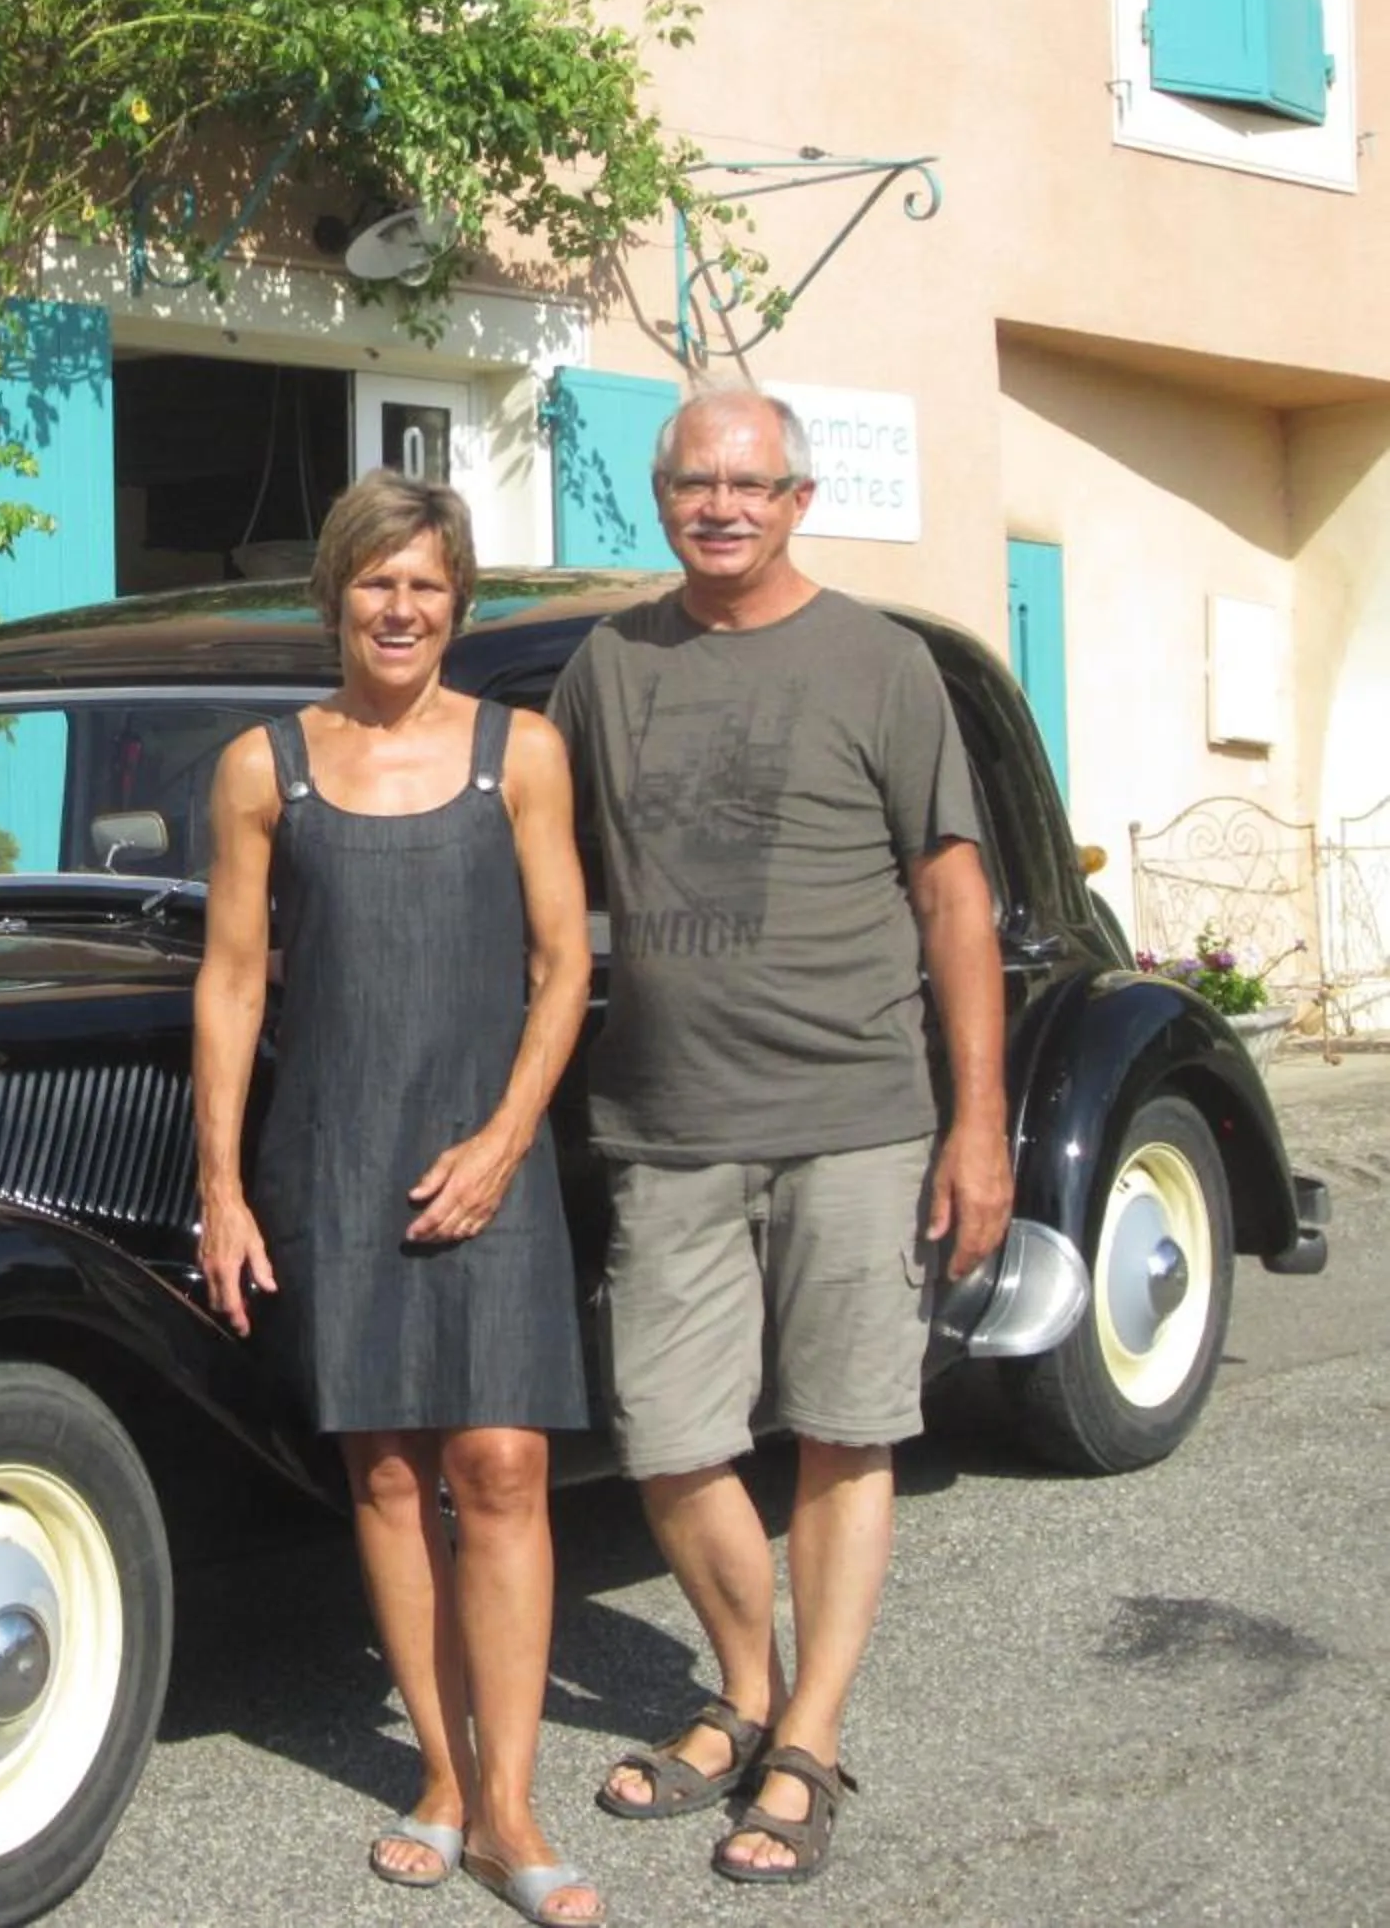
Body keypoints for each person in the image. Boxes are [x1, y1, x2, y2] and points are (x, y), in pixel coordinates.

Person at [547, 388, 1011, 1886]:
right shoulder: (606, 664)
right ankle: (742, 1682)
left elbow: (956, 903)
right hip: (666, 1120)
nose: (722, 506)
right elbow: (528, 864)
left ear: (801, 498)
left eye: (751, 484)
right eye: (694, 482)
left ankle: (805, 1733)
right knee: (671, 1438)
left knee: (843, 1425)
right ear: (661, 495)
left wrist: (978, 1121)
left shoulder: (881, 663)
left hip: (856, 1114)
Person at [195, 472, 602, 1927]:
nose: (400, 607)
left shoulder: (524, 753)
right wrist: (223, 1186)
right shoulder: (264, 768)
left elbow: (564, 967)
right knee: (384, 1472)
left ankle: (511, 1807)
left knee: (500, 1463)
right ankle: (439, 1773)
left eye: (426, 584)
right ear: (336, 594)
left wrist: (503, 1137)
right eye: (376, 581)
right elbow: (236, 981)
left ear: (460, 602)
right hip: (337, 1153)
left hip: (486, 1152)